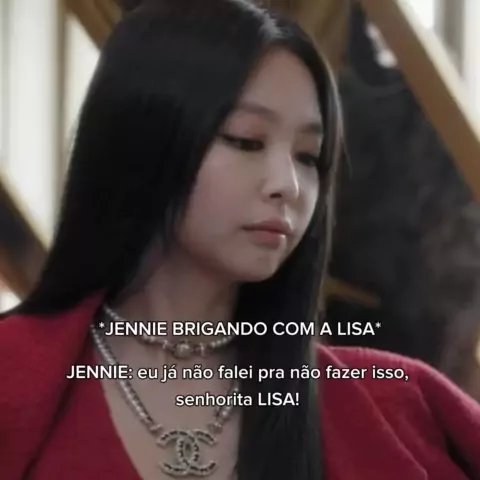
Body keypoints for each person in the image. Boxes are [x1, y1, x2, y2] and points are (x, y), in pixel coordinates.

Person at [0, 1, 479, 479]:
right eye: (247, 141)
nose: (288, 185)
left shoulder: (401, 409)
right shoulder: (16, 377)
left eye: (309, 156)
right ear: (143, 140)